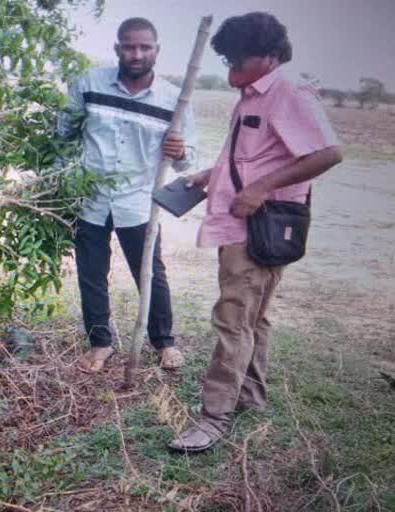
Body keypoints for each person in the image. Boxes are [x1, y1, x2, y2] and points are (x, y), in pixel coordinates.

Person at [169, 12, 343, 452]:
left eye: (238, 59)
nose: (229, 69)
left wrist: (260, 190)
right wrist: (209, 175)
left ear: (267, 57)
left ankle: (213, 420)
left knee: (232, 320)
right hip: (247, 224)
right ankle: (250, 396)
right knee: (253, 318)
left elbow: (327, 153)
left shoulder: (287, 90)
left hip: (256, 228)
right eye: (226, 58)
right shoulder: (254, 93)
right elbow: (257, 157)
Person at [58, 17, 197, 373]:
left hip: (138, 202)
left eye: (144, 47)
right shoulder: (88, 84)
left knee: (150, 273)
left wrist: (180, 152)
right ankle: (100, 343)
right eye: (129, 46)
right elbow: (64, 133)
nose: (137, 54)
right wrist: (65, 181)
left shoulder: (174, 100)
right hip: (90, 199)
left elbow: (187, 162)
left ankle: (164, 343)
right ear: (118, 48)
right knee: (91, 273)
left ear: (156, 51)